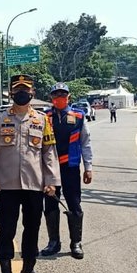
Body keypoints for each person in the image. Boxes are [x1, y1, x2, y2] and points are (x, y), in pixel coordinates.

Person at [0, 74, 60, 273]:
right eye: (17, 90)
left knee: (32, 229)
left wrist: (52, 180)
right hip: (6, 185)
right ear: (11, 93)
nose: (22, 93)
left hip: (34, 184)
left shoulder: (42, 120)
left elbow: (49, 152)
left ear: (32, 93)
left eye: (26, 89)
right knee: (6, 229)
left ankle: (28, 270)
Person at [40, 83, 94, 260]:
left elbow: (85, 143)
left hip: (70, 167)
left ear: (68, 97)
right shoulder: (44, 117)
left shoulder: (78, 116)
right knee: (50, 205)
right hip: (49, 168)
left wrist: (88, 167)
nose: (59, 99)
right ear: (51, 98)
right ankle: (53, 242)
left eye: (63, 95)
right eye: (56, 96)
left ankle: (76, 243)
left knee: (74, 204)